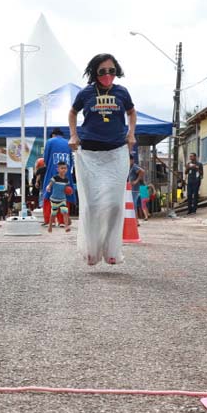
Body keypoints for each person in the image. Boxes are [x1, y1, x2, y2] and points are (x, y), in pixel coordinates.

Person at [69, 53, 137, 266]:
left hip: (116, 152)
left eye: (112, 71)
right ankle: (91, 251)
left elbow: (132, 112)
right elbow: (72, 113)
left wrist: (131, 133)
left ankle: (111, 250)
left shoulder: (122, 92)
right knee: (91, 205)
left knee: (115, 204)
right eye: (102, 71)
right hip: (89, 153)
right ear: (94, 72)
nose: (107, 75)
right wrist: (73, 134)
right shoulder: (86, 93)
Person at [41, 128, 74, 226]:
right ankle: (63, 221)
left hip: (53, 171)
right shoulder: (68, 143)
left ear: (53, 135)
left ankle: (48, 221)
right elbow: (71, 160)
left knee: (48, 194)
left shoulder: (50, 141)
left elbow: (46, 158)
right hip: (66, 172)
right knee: (65, 194)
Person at [46, 161, 72, 232]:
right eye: (62, 168)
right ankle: (50, 225)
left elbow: (67, 189)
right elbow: (50, 184)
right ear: (58, 169)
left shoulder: (66, 180)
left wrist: (69, 191)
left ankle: (66, 226)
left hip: (62, 199)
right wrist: (48, 187)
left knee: (65, 212)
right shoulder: (55, 178)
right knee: (53, 214)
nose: (64, 170)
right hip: (54, 199)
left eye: (65, 168)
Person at [128, 156, 145, 225]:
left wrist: (136, 181)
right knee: (132, 205)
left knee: (133, 204)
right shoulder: (129, 167)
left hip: (134, 189)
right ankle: (134, 221)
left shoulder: (134, 167)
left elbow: (142, 171)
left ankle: (136, 221)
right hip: (131, 189)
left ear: (132, 160)